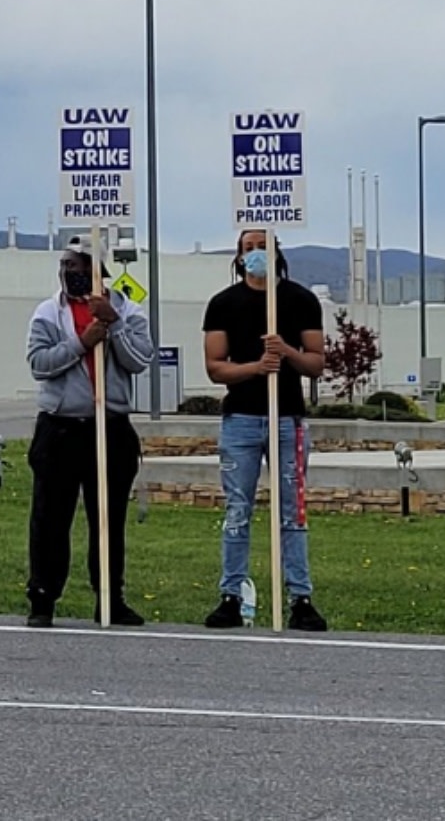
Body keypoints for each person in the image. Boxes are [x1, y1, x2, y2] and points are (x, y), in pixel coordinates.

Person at [201, 229, 328, 631]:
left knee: (293, 511)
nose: (256, 253)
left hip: (287, 418)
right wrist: (256, 368)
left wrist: (286, 351)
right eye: (249, 247)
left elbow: (316, 363)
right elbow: (216, 367)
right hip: (240, 419)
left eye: (263, 246)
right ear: (239, 256)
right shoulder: (223, 304)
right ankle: (231, 596)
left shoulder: (300, 300)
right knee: (238, 510)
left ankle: (300, 598)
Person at [25, 238, 153, 628]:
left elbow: (140, 360)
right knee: (50, 518)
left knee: (108, 518)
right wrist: (81, 343)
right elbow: (39, 363)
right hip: (61, 428)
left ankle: (110, 599)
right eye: (66, 265)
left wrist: (112, 327)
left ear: (99, 272)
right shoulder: (48, 313)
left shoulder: (129, 310)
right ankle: (43, 599)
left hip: (109, 427)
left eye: (81, 266)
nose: (72, 273)